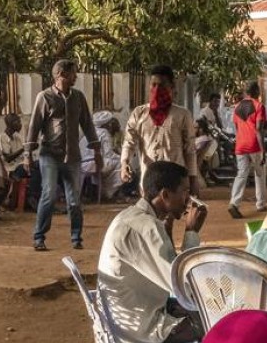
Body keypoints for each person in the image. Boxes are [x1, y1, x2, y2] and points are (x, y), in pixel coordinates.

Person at [97, 161, 207, 343]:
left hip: (130, 314)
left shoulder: (134, 218)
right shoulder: (144, 227)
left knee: (212, 321)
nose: (189, 199)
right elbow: (179, 284)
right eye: (184, 192)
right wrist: (191, 233)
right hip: (140, 324)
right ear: (165, 195)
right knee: (222, 331)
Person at [25, 59, 102, 251]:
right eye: (73, 73)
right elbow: (34, 126)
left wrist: (97, 150)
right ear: (61, 74)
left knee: (75, 200)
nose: (76, 76)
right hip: (49, 155)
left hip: (72, 157)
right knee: (49, 195)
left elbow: (87, 124)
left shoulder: (78, 97)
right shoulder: (45, 97)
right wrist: (28, 153)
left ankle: (76, 237)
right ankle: (39, 236)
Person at [121, 64, 201, 197]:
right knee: (150, 216)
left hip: (174, 182)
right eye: (153, 85)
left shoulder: (182, 115)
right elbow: (129, 142)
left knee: (168, 216)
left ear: (171, 87)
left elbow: (190, 150)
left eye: (162, 85)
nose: (157, 89)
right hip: (149, 181)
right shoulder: (139, 114)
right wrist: (124, 163)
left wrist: (193, 179)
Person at [228, 82, 267, 219]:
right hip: (254, 144)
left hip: (240, 144)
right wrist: (263, 150)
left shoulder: (237, 107)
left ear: (246, 92)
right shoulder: (259, 106)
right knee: (260, 172)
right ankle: (261, 203)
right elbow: (258, 130)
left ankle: (234, 203)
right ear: (257, 91)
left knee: (241, 174)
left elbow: (237, 127)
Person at [80, 111, 125, 201]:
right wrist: (121, 157)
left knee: (112, 164)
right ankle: (108, 193)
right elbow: (109, 154)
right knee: (121, 164)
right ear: (107, 124)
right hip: (94, 164)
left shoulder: (89, 131)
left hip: (82, 164)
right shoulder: (104, 133)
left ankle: (100, 191)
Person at [0, 113, 34, 209]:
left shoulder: (17, 137)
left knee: (39, 166)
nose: (20, 124)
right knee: (30, 169)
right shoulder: (2, 137)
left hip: (21, 166)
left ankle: (32, 199)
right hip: (12, 169)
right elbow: (8, 158)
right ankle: (31, 199)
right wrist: (24, 149)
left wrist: (29, 151)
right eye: (18, 122)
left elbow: (25, 153)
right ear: (10, 123)